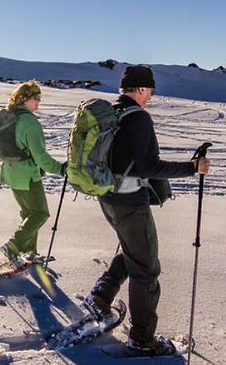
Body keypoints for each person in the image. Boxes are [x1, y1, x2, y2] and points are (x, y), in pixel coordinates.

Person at [82, 65, 210, 357]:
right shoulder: (137, 118)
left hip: (108, 197)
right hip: (129, 201)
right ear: (140, 88)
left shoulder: (112, 113)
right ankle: (142, 338)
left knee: (133, 251)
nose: (151, 95)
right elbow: (150, 166)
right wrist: (193, 168)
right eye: (150, 89)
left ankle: (101, 296)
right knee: (146, 268)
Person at [0, 80, 67, 268]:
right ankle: (13, 246)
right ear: (24, 99)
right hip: (27, 176)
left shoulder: (11, 116)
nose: (38, 102)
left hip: (11, 174)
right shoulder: (29, 122)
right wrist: (61, 169)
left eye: (39, 98)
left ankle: (29, 252)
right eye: (35, 98)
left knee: (29, 214)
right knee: (40, 213)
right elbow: (40, 157)